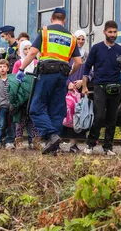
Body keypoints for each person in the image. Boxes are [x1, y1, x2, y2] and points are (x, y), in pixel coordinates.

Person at [19, 8, 81, 154]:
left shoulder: (45, 31)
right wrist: (68, 73)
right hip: (62, 75)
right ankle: (53, 146)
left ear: (52, 19)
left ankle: (51, 136)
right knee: (57, 110)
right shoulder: (72, 37)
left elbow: (33, 52)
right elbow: (78, 62)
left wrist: (21, 69)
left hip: (46, 73)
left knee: (35, 108)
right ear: (64, 20)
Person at [82, 21, 121, 156]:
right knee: (99, 116)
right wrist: (84, 85)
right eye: (110, 32)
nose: (112, 35)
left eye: (114, 32)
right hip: (100, 86)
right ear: (104, 32)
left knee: (112, 119)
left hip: (116, 87)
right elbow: (87, 66)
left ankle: (108, 147)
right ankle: (90, 144)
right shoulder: (96, 48)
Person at [62, 30, 92, 153]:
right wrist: (68, 82)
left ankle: (73, 144)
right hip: (67, 89)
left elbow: (91, 72)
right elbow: (63, 71)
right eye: (78, 39)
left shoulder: (87, 55)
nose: (80, 41)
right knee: (65, 115)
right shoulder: (67, 54)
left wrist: (82, 81)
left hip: (80, 90)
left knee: (77, 115)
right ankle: (59, 141)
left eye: (82, 39)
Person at [12, 39, 40, 149]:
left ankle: (35, 140)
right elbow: (14, 78)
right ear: (20, 50)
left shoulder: (36, 63)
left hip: (34, 93)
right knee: (20, 119)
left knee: (34, 118)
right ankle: (18, 140)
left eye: (30, 48)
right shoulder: (18, 63)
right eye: (25, 49)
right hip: (23, 94)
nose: (28, 51)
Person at [0, 59, 15, 149]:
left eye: (4, 67)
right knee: (1, 124)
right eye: (0, 67)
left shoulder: (11, 80)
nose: (2, 69)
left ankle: (10, 141)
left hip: (11, 106)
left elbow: (14, 92)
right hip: (2, 106)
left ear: (8, 69)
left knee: (11, 124)